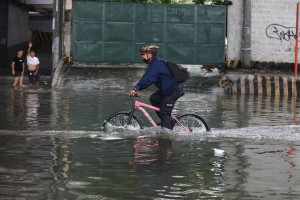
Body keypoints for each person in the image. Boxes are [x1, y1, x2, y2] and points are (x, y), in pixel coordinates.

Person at [129, 44, 184, 130]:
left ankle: (167, 135)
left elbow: (148, 79)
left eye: (143, 54)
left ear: (150, 54)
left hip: (173, 91)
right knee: (154, 98)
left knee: (165, 112)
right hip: (167, 90)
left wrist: (136, 88)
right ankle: (166, 121)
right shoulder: (154, 63)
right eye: (141, 54)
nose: (142, 56)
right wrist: (137, 88)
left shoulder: (156, 64)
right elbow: (146, 77)